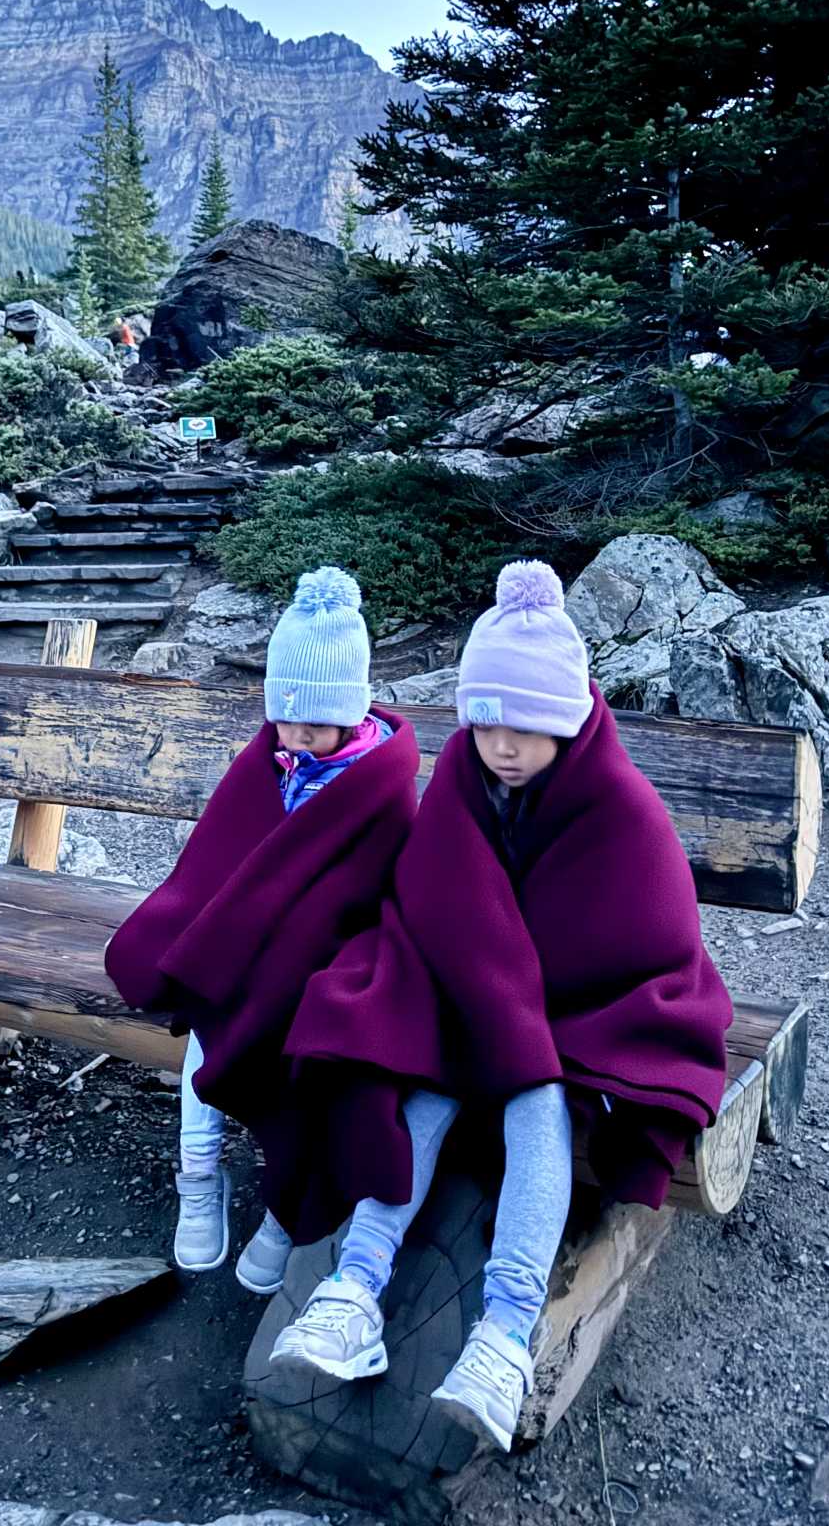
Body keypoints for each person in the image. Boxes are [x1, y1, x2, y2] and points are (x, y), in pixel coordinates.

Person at [273, 560, 733, 1453]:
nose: (504, 747)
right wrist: (483, 993)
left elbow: (647, 929)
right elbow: (436, 894)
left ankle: (506, 1333)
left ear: (566, 718)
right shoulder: (462, 782)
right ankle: (352, 1291)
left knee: (537, 1104)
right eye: (487, 724)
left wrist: (522, 1015)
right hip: (471, 999)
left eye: (527, 727)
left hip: (575, 1018)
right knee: (419, 1088)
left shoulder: (621, 807)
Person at [105, 566, 421, 1293]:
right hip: (247, 948)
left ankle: (286, 1212)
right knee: (209, 1009)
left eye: (316, 723)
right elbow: (219, 861)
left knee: (323, 1054)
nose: (299, 736)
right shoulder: (270, 761)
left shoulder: (379, 783)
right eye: (286, 719)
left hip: (327, 961)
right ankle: (199, 1170)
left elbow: (378, 892)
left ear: (352, 712)